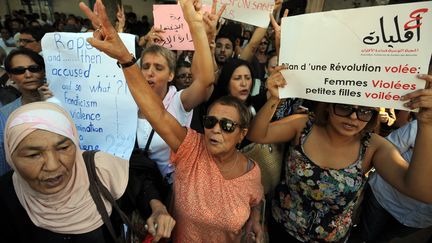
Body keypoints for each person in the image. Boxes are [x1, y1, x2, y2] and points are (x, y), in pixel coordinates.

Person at [79, 0, 264, 242]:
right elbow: (157, 114)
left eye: (227, 125)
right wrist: (126, 58)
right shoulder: (191, 149)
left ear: (242, 134)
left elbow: (256, 198)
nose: (215, 130)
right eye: (209, 122)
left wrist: (256, 218)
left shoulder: (252, 171)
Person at [247, 65, 432, 242]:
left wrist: (426, 124)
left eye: (365, 111)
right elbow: (257, 134)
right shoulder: (303, 125)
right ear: (328, 105)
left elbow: (421, 191)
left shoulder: (373, 147)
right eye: (344, 107)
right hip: (282, 228)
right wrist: (274, 99)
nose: (353, 117)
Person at [0, 102, 128, 242]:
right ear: (10, 157)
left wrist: (155, 205)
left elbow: (141, 183)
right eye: (33, 155)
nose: (53, 166)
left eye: (63, 148)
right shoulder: (5, 195)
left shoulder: (101, 170)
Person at [359, 119, 432, 242]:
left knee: (384, 239)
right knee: (364, 235)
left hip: (416, 220)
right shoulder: (423, 125)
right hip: (383, 197)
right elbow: (388, 146)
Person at [0, 49, 47, 176]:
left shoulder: (66, 104)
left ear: (44, 70)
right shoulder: (4, 115)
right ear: (10, 76)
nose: (28, 74)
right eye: (19, 70)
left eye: (34, 68)